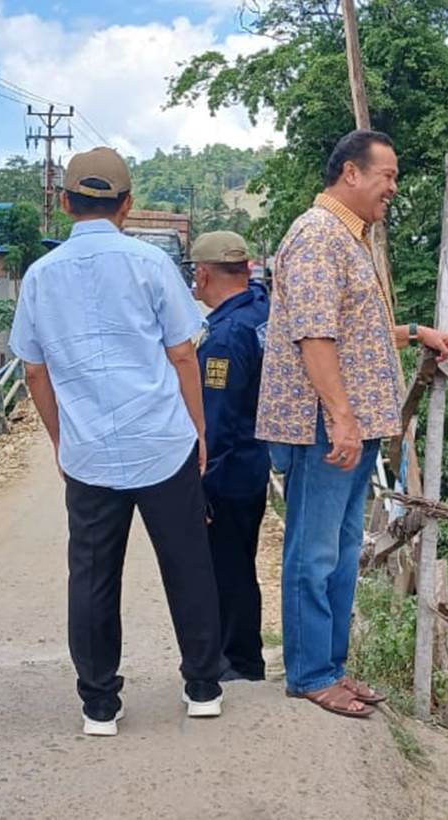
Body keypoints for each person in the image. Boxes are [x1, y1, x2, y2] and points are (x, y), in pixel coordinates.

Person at [9, 147, 226, 737]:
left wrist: (60, 440)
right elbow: (183, 353)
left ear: (63, 203)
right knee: (187, 563)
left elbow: (33, 370)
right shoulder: (151, 265)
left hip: (89, 452)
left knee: (92, 574)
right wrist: (198, 432)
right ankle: (203, 686)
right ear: (127, 206)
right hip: (162, 440)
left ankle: (99, 704)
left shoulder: (40, 276)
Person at [256, 129, 448, 719]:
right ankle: (310, 673)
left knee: (343, 549)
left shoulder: (350, 238)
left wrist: (414, 332)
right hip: (323, 427)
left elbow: (351, 330)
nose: (392, 188)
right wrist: (341, 419)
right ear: (351, 173)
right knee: (314, 552)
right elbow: (314, 336)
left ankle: (330, 667)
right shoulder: (319, 236)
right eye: (387, 175)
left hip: (350, 426)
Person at [189, 231, 272, 682]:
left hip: (230, 470)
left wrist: (201, 487)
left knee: (225, 568)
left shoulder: (224, 337)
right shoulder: (263, 310)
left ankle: (237, 661)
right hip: (256, 461)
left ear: (203, 275)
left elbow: (215, 422)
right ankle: (245, 657)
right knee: (240, 562)